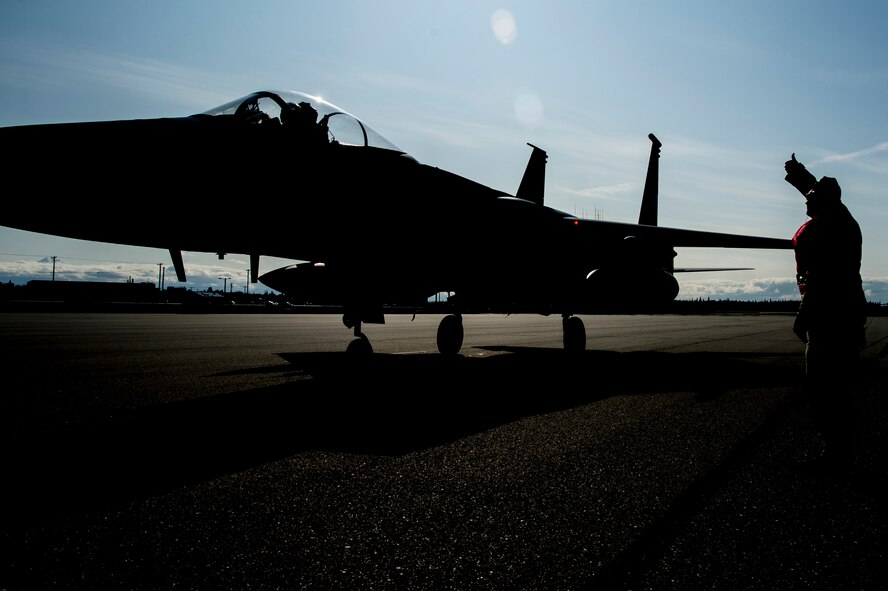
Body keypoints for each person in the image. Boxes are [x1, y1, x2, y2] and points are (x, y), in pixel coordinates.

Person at [784, 153, 867, 468]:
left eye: (812, 196)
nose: (807, 199)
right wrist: (800, 174)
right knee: (837, 386)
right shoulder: (840, 220)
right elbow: (819, 193)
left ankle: (834, 452)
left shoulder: (829, 229)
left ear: (824, 201)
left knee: (824, 387)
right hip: (842, 314)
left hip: (828, 316)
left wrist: (803, 315)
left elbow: (822, 280)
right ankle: (837, 449)